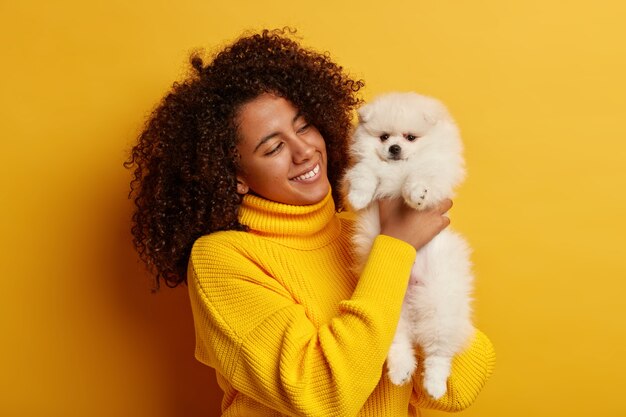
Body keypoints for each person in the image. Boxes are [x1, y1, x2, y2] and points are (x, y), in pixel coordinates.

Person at [126, 28, 495, 416]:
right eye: (273, 147)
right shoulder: (222, 260)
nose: (304, 151)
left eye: (303, 127)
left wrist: (412, 262)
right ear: (234, 175)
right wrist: (395, 250)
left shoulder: (365, 234)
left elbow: (457, 389)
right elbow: (322, 396)